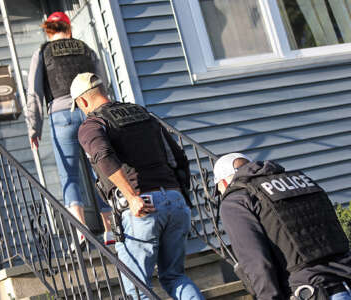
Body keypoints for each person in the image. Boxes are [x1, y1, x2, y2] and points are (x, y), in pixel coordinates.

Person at [70, 72, 204, 300]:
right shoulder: (143, 114)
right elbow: (178, 156)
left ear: (82, 101)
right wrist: (180, 194)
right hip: (175, 200)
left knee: (136, 288)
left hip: (142, 207)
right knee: (174, 277)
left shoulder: (92, 124)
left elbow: (103, 155)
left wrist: (131, 196)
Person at [24, 11, 114, 245]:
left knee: (69, 175)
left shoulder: (42, 52)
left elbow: (34, 92)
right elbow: (103, 82)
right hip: (90, 111)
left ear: (49, 30)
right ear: (69, 27)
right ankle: (110, 228)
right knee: (101, 168)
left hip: (61, 116)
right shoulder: (85, 48)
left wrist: (34, 128)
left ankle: (81, 229)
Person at [213, 153, 351, 300]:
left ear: (225, 182)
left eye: (220, 189)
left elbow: (257, 263)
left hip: (311, 290)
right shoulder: (302, 180)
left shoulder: (236, 200)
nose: (222, 194)